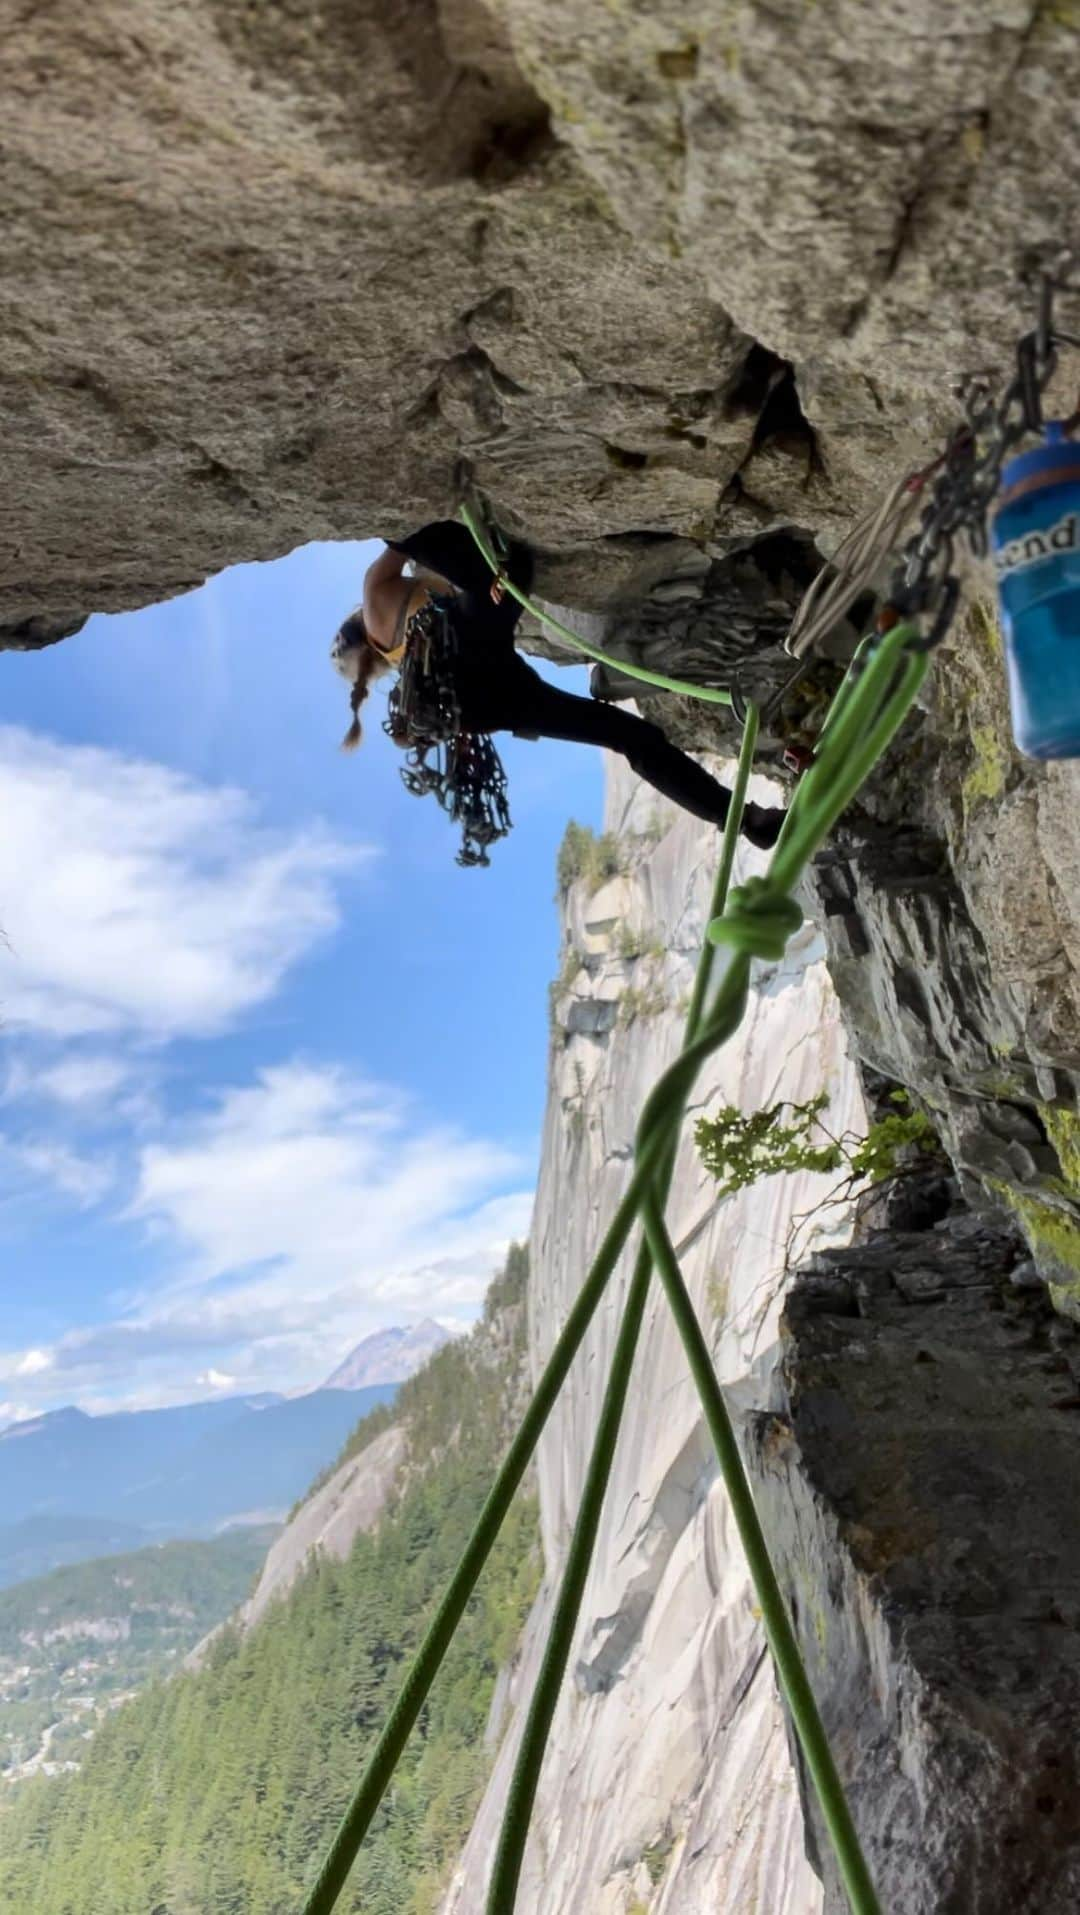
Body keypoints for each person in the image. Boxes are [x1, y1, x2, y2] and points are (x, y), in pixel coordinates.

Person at [330, 520, 784, 850]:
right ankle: (743, 818)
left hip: (485, 701)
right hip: (474, 660)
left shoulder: (401, 654)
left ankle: (746, 822)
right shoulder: (375, 596)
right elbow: (401, 526)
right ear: (355, 624)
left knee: (626, 735)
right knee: (501, 572)